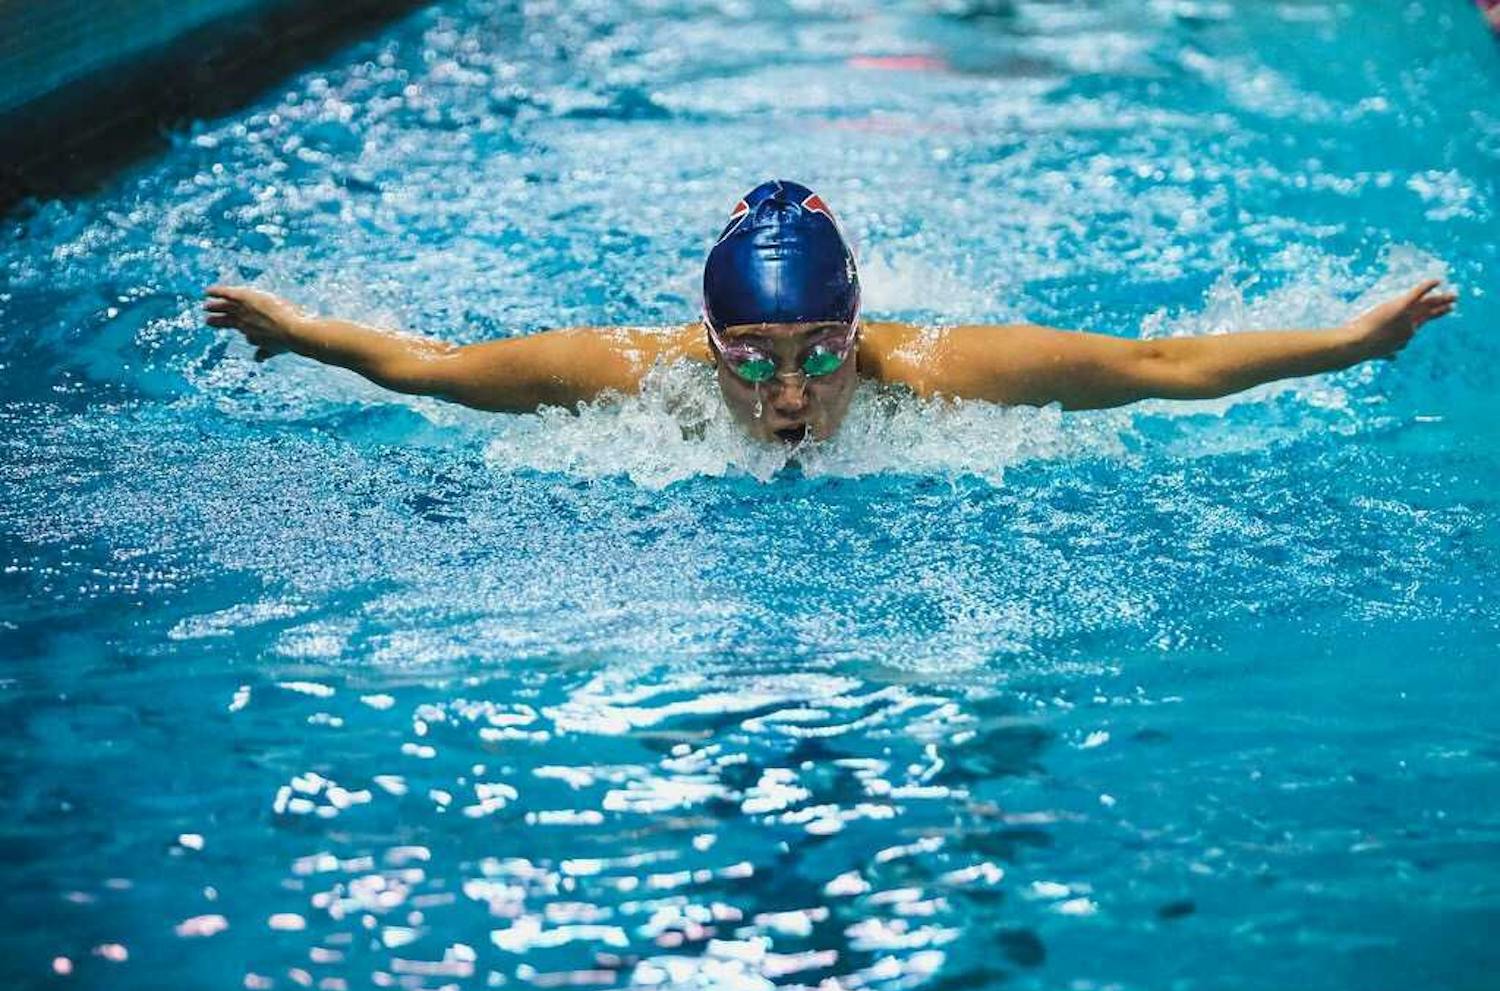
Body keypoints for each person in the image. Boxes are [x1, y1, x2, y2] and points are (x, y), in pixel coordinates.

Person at [204, 179, 1456, 445]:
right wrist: (300, 329)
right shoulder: (633, 373)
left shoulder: (937, 373)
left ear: (863, 338)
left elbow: (1158, 363)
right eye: (752, 365)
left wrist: (1351, 341)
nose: (792, 397)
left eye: (820, 359)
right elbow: (433, 367)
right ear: (709, 346)